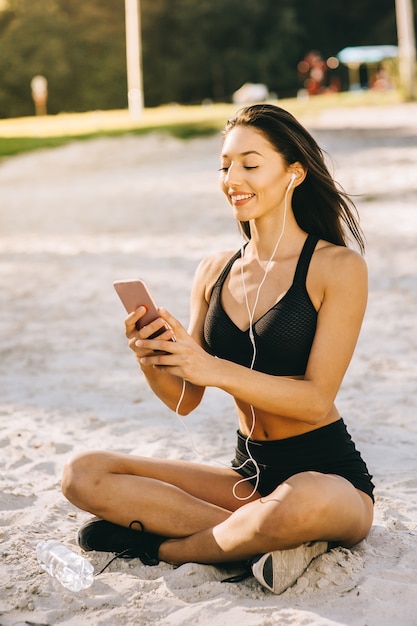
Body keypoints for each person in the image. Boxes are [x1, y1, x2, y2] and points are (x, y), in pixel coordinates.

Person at [62, 104, 374, 594]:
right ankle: (262, 538)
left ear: (294, 173)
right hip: (247, 477)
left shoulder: (337, 267)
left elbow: (316, 398)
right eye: (225, 166)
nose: (233, 178)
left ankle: (162, 548)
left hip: (327, 476)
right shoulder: (214, 271)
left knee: (299, 504)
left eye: (250, 164)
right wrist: (152, 355)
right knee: (83, 473)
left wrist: (211, 367)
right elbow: (184, 399)